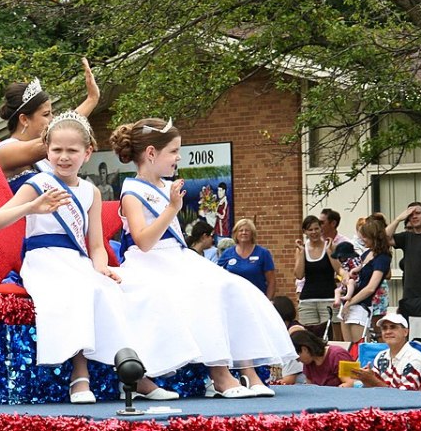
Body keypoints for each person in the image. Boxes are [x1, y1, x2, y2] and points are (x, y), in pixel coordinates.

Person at [0, 112, 180, 403]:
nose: (63, 157)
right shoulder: (38, 183)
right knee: (78, 290)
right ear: (47, 150)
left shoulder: (91, 191)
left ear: (87, 152)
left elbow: (96, 245)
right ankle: (80, 376)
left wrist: (102, 268)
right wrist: (32, 208)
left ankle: (134, 374)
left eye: (72, 151)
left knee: (113, 290)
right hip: (44, 261)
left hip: (77, 261)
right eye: (57, 150)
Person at [111, 118, 295, 399]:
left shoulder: (166, 185)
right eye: (173, 151)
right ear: (151, 153)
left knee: (232, 286)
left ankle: (248, 372)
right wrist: (173, 208)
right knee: (201, 291)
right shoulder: (132, 191)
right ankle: (219, 376)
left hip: (178, 258)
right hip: (149, 261)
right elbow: (144, 241)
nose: (178, 157)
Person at [0, 61, 101, 192]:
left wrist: (92, 99)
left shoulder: (47, 155)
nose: (52, 119)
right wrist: (91, 100)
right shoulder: (4, 151)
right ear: (24, 119)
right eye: (46, 114)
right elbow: (58, 137)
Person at [337, 220, 392, 343]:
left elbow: (371, 287)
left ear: (374, 237)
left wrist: (349, 303)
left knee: (359, 348)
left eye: (366, 237)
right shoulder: (367, 253)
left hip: (360, 305)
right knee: (349, 348)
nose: (363, 239)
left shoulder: (382, 258)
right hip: (348, 303)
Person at [352, 313, 421, 390]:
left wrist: (372, 381)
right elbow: (373, 389)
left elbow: (405, 397)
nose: (388, 331)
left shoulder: (415, 359)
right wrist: (365, 378)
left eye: (393, 327)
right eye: (384, 328)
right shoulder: (381, 356)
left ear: (405, 332)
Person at [294, 215, 341, 338]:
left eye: (316, 229)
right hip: (308, 300)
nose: (314, 232)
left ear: (321, 229)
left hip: (329, 299)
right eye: (310, 230)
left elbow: (339, 270)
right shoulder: (302, 249)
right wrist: (301, 253)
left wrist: (330, 252)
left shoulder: (330, 246)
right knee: (309, 338)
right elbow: (299, 275)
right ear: (304, 232)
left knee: (330, 337)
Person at [217, 219, 276, 300]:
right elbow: (218, 276)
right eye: (241, 230)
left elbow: (271, 281)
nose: (244, 233)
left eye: (247, 230)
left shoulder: (263, 253)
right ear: (236, 234)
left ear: (252, 234)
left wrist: (268, 301)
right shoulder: (227, 253)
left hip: (257, 300)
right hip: (233, 299)